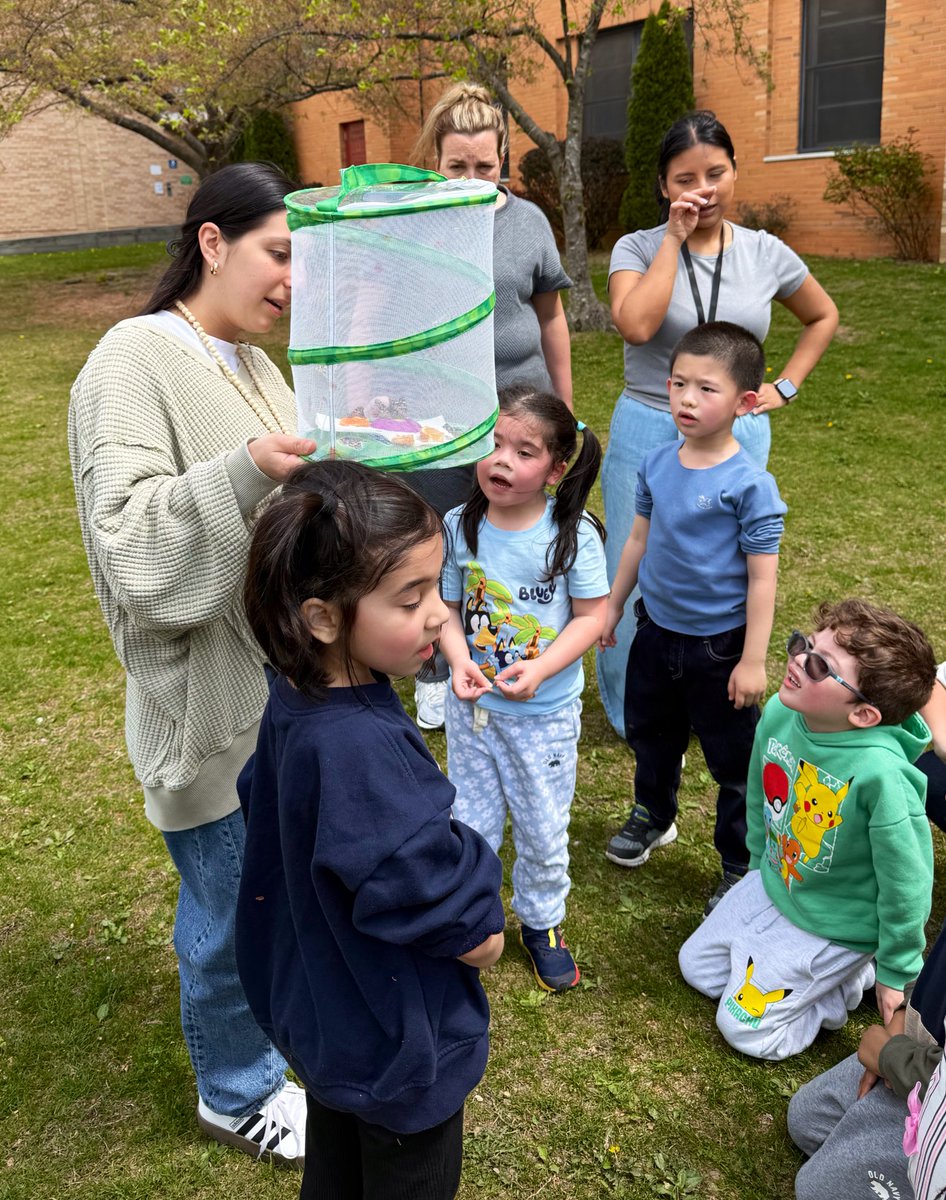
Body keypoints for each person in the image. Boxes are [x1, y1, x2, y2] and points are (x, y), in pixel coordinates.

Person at [68, 162, 315, 1165]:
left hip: (277, 695)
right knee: (229, 916)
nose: (292, 282)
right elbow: (129, 548)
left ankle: (263, 1048)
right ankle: (234, 1090)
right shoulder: (129, 361)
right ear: (212, 242)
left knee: (272, 898)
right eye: (279, 254)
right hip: (204, 712)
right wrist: (242, 475)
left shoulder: (256, 366)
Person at [235, 460, 505, 1200]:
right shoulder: (366, 754)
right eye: (410, 598)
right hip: (397, 1049)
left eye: (437, 588)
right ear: (323, 616)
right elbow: (469, 931)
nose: (440, 615)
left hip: (327, 1020)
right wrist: (483, 909)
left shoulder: (295, 696)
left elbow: (266, 804)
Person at [597, 109, 839, 738]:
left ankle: (721, 693)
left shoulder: (765, 252)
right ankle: (636, 714)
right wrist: (674, 239)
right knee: (640, 561)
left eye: (716, 173)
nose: (701, 190)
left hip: (738, 435)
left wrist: (783, 387)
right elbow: (637, 326)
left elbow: (822, 316)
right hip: (652, 425)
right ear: (663, 185)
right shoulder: (638, 248)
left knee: (725, 568)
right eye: (685, 178)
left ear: (735, 173)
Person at [679, 598, 936, 1061]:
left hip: (836, 923)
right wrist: (757, 867)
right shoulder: (780, 711)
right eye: (804, 645)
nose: (797, 660)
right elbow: (760, 796)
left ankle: (843, 983)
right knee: (695, 968)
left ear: (863, 714)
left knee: (746, 1030)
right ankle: (800, 967)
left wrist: (897, 970)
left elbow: (908, 884)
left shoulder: (884, 778)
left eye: (819, 665)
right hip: (779, 882)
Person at [600, 322, 786, 914]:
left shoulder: (750, 486)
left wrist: (753, 660)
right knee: (651, 736)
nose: (685, 398)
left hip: (720, 649)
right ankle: (653, 815)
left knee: (734, 766)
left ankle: (739, 862)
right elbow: (636, 541)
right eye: (679, 382)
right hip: (656, 634)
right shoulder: (657, 462)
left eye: (706, 388)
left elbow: (762, 578)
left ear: (745, 403)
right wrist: (611, 607)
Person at [408, 82, 575, 733]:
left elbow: (551, 317)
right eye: (458, 166)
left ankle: (520, 646)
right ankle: (433, 667)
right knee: (434, 541)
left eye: (485, 165)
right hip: (442, 420)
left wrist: (564, 404)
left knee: (510, 540)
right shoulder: (415, 222)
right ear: (437, 162)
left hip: (524, 415)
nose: (472, 179)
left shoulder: (528, 222)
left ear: (503, 158)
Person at [439, 386, 609, 992]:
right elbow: (448, 608)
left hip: (545, 719)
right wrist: (458, 659)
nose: (501, 460)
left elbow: (593, 617)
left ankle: (542, 922)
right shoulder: (460, 525)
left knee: (540, 827)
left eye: (524, 450)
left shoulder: (572, 534)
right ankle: (476, 918)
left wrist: (539, 671)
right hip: (474, 715)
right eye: (491, 443)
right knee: (470, 822)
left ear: (556, 470)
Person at [788, 907, 946, 1200]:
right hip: (922, 1051)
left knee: (815, 1190)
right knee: (806, 1118)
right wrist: (907, 1010)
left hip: (934, 1094)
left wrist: (894, 1058)